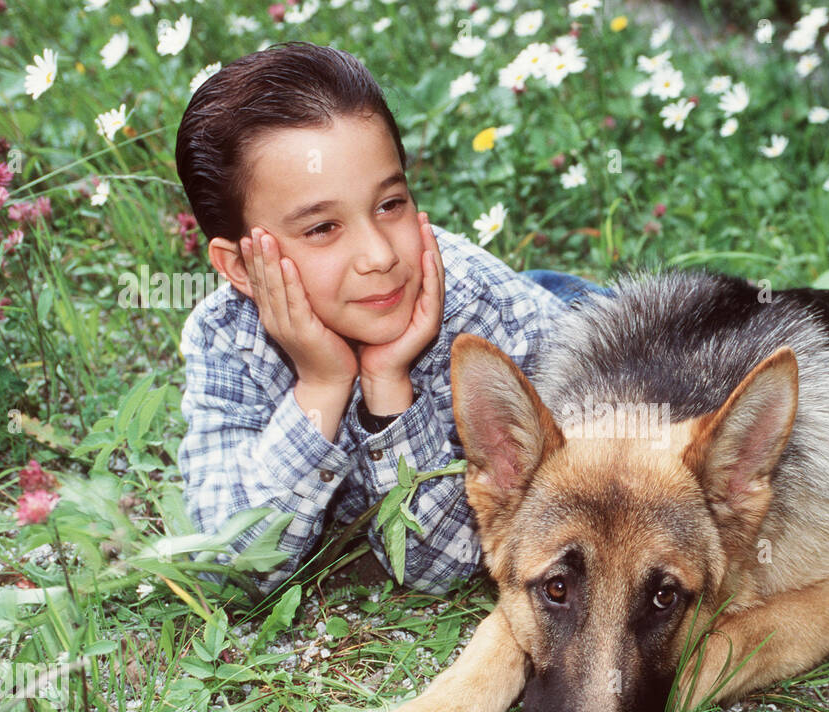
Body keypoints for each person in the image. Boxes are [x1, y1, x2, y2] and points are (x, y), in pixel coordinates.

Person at [174, 42, 596, 594]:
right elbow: (231, 567)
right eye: (323, 227)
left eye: (389, 204)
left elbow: (450, 564)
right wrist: (322, 385)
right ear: (242, 269)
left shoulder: (478, 312)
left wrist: (387, 387)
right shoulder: (228, 337)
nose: (380, 255)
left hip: (571, 321)